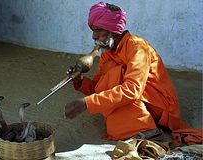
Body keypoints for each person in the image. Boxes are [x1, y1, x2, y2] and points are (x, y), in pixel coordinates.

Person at [64, 2, 202, 145]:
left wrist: (87, 103)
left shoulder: (137, 47)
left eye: (98, 30)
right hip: (140, 97)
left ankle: (147, 132)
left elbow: (132, 90)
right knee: (113, 77)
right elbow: (99, 88)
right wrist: (80, 82)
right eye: (93, 30)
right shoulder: (107, 53)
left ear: (113, 31)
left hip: (159, 104)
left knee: (118, 79)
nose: (94, 36)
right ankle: (132, 122)